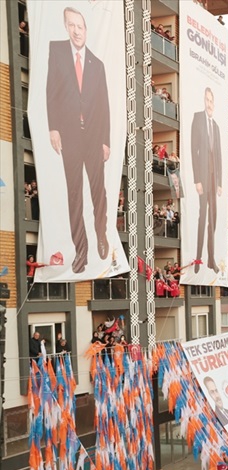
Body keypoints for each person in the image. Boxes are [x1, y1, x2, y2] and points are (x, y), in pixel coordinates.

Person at [47, 7, 111, 274]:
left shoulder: (98, 64)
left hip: (94, 137)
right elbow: (51, 90)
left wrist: (106, 140)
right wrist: (53, 128)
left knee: (98, 193)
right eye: (71, 25)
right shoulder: (58, 52)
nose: (76, 30)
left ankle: (101, 234)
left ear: (86, 29)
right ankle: (81, 252)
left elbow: (104, 104)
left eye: (80, 26)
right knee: (74, 193)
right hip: (70, 136)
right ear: (66, 27)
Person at [190, 87, 222, 274]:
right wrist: (197, 179)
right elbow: (194, 150)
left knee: (214, 219)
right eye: (207, 100)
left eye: (212, 101)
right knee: (203, 217)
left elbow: (218, 155)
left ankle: (211, 259)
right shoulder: (198, 119)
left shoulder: (216, 127)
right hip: (203, 178)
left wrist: (219, 183)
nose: (209, 104)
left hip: (213, 179)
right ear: (204, 100)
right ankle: (198, 258)